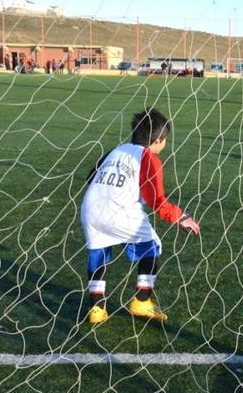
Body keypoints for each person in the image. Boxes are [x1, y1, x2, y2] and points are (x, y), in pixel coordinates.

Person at [80, 107, 201, 324]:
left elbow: (91, 176)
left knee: (99, 251)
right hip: (119, 211)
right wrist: (180, 217)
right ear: (158, 141)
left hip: (90, 207)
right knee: (151, 246)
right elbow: (156, 201)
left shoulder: (116, 150)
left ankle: (97, 309)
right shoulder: (148, 158)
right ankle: (142, 302)